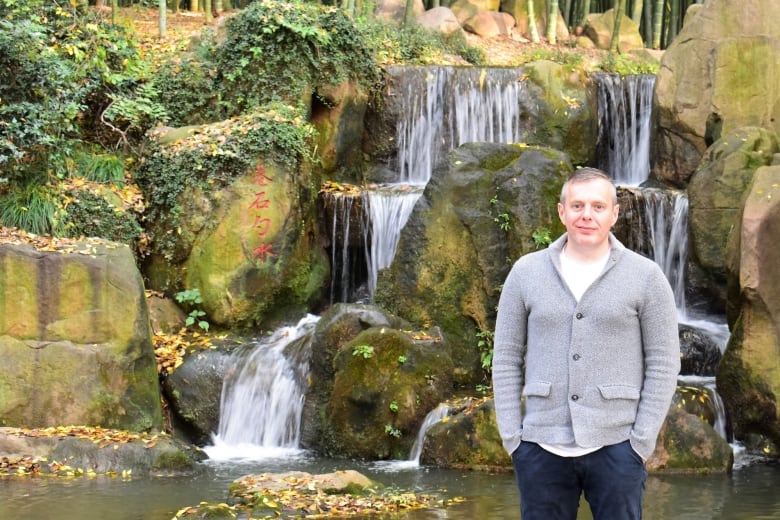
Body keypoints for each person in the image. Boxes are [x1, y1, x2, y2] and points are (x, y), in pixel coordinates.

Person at [492, 167, 680, 520]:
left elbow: (664, 362)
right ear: (562, 212)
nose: (587, 215)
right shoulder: (526, 272)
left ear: (614, 213)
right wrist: (513, 439)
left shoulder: (646, 277)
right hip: (540, 445)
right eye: (577, 206)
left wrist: (640, 443)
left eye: (597, 206)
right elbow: (504, 357)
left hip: (617, 445)